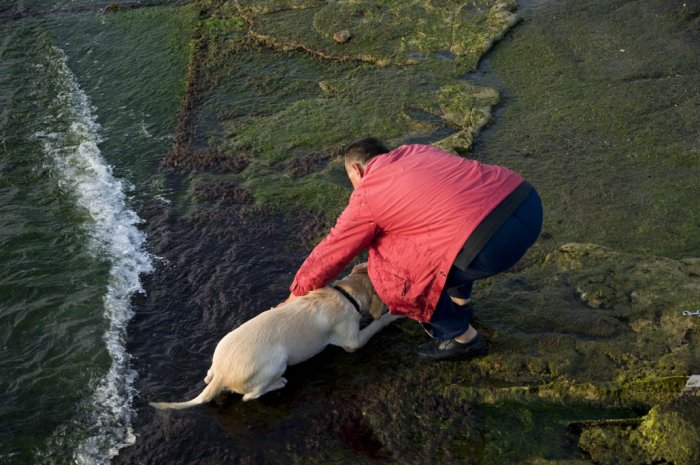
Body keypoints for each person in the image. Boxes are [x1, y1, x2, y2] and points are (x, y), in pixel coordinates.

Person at [286, 138, 543, 361]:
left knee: (387, 271)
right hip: (526, 203)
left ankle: (461, 338)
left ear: (356, 169)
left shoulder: (368, 193)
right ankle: (460, 303)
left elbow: (333, 250)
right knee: (439, 239)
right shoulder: (418, 151)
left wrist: (297, 294)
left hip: (489, 245)